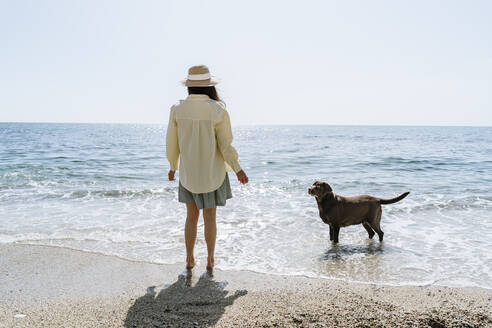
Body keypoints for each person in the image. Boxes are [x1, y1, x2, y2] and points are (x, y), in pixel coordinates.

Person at [166, 65, 248, 272]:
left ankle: (189, 258)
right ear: (209, 86)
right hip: (213, 173)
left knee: (191, 217)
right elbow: (225, 144)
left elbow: (171, 142)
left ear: (189, 87)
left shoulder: (177, 109)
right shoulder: (217, 109)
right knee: (210, 217)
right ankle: (210, 260)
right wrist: (237, 168)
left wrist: (172, 166)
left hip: (189, 173)